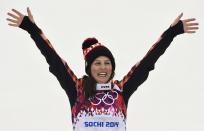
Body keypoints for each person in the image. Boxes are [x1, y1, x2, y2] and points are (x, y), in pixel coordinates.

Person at [6, 7, 199, 131]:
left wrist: (171, 33)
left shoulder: (121, 90)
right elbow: (54, 61)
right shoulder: (77, 88)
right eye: (97, 63)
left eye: (107, 63)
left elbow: (147, 63)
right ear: (89, 68)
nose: (103, 67)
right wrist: (32, 29)